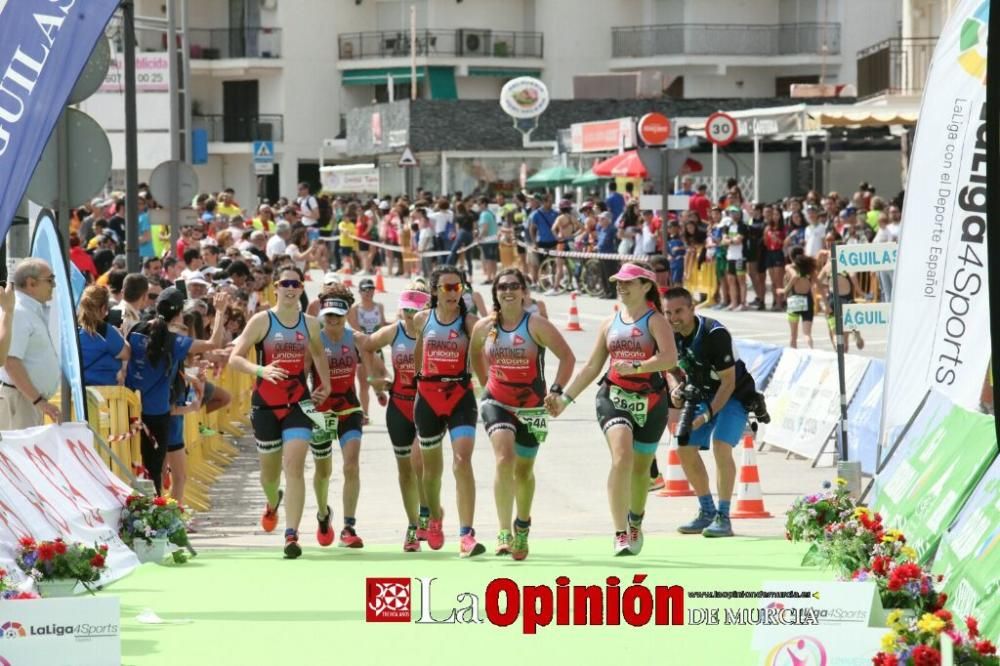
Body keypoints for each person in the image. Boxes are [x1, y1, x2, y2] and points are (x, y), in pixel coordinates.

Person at [548, 262, 678, 556]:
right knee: (622, 457)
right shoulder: (610, 323)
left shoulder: (656, 321)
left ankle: (635, 521)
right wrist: (564, 399)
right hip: (613, 397)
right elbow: (593, 366)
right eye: (618, 281)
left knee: (642, 469)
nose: (621, 286)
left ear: (646, 286)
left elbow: (669, 359)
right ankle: (620, 532)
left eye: (628, 282)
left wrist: (637, 366)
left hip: (651, 401)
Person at [227, 266, 332, 558]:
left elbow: (320, 354)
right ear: (276, 287)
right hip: (265, 405)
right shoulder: (262, 321)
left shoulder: (310, 324)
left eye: (295, 284)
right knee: (269, 476)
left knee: (294, 466)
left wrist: (327, 385)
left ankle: (292, 534)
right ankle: (273, 502)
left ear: (301, 288)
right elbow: (235, 359)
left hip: (299, 403)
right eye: (285, 283)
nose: (290, 288)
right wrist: (261, 369)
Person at [470, 268, 575, 560]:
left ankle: (522, 525)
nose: (508, 291)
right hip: (497, 401)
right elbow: (475, 352)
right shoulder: (485, 327)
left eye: (515, 285)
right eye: (502, 286)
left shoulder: (536, 325)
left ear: (524, 292)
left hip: (533, 406)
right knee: (504, 458)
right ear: (496, 293)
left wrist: (556, 390)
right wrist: (483, 385)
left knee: (524, 471)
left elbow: (568, 357)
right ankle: (503, 531)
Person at [663, 287, 762, 538]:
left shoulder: (714, 333)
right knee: (683, 446)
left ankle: (723, 516)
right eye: (668, 312)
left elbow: (728, 383)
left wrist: (706, 415)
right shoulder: (668, 334)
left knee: (720, 446)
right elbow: (670, 368)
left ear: (692, 309)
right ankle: (706, 510)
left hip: (734, 395)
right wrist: (675, 388)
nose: (674, 317)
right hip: (699, 392)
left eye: (679, 311)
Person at [412, 265, 484, 557]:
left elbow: (483, 351)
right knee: (431, 471)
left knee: (462, 460)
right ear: (434, 291)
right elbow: (419, 351)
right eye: (447, 287)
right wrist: (418, 378)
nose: (454, 292)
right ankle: (436, 517)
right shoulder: (422, 319)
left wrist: (487, 386)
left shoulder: (469, 322)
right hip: (428, 397)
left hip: (459, 396)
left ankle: (467, 534)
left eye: (458, 287)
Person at [127, 288, 228, 495]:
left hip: (129, 408)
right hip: (157, 413)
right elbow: (213, 344)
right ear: (179, 314)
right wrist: (219, 312)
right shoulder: (173, 341)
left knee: (141, 469)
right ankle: (158, 521)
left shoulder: (136, 329)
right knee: (155, 472)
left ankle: (152, 517)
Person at [360, 286, 431, 551]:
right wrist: (375, 379)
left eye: (416, 310)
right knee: (405, 472)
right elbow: (367, 347)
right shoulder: (395, 330)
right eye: (407, 310)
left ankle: (427, 513)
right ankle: (412, 526)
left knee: (420, 463)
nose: (411, 315)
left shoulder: (434, 331)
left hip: (426, 405)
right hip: (399, 405)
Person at [310, 285, 380, 549]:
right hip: (320, 412)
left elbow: (377, 362)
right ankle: (322, 513)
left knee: (351, 465)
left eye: (338, 315)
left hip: (349, 408)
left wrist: (380, 383)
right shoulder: (314, 339)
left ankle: (349, 527)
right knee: (323, 471)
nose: (333, 320)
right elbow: (300, 374)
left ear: (347, 313)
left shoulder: (357, 339)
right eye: (328, 315)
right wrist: (307, 397)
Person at [0, 259, 62, 428]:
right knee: (17, 454)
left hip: (27, 400)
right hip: (21, 400)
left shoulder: (27, 310)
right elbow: (10, 362)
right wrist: (38, 401)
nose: (54, 285)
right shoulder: (19, 312)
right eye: (50, 280)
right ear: (31, 283)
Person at [348, 278, 387, 423]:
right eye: (365, 289)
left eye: (371, 289)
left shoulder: (379, 306)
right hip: (361, 349)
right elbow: (356, 329)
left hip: (377, 348)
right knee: (364, 384)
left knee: (377, 378)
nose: (369, 292)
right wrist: (367, 345)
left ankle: (378, 391)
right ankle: (365, 414)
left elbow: (383, 325)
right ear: (359, 291)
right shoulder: (354, 309)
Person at [77, 285, 130, 387]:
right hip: (105, 395)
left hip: (82, 394)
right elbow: (126, 353)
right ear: (102, 308)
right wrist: (121, 335)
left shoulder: (76, 329)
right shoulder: (104, 330)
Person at [784, 249, 818, 349]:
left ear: (791, 257)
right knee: (807, 334)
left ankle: (794, 357)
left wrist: (785, 290)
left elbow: (794, 276)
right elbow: (818, 284)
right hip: (807, 299)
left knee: (793, 335)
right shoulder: (809, 269)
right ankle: (811, 350)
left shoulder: (790, 267)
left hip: (794, 299)